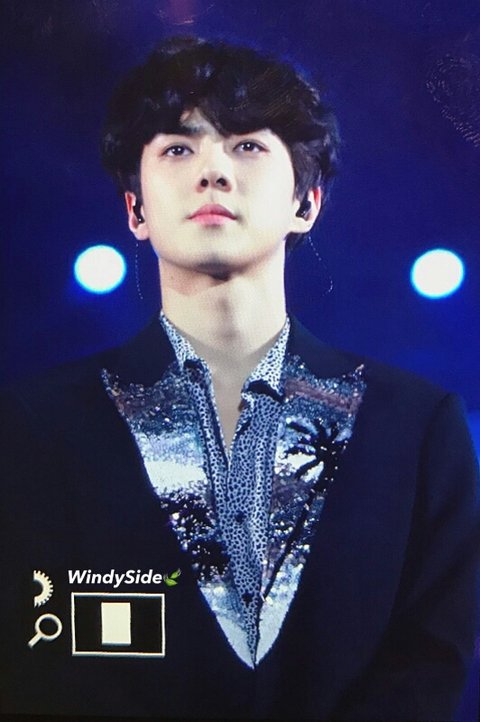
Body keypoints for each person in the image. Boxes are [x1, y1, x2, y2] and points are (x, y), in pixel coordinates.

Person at [1, 36, 479, 722]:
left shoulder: (417, 426)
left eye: (247, 144)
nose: (213, 171)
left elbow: (430, 663)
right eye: (178, 148)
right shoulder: (34, 424)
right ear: (135, 210)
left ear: (306, 204)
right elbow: (30, 662)